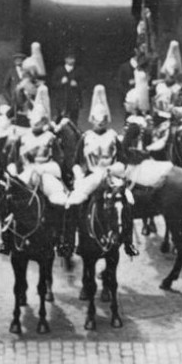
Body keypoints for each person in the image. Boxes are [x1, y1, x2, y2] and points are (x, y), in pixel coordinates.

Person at [65, 84, 137, 252]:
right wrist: (78, 175)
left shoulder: (113, 136)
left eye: (103, 120)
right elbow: (76, 161)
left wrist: (114, 169)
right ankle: (69, 242)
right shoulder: (86, 137)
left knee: (128, 201)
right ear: (92, 120)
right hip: (91, 176)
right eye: (97, 121)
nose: (100, 123)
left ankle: (128, 242)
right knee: (73, 203)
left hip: (111, 175)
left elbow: (123, 160)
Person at [6, 84, 74, 255]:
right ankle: (8, 233)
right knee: (9, 194)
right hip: (26, 173)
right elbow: (13, 161)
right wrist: (13, 171)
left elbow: (59, 163)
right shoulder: (22, 139)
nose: (35, 124)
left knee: (60, 199)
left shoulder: (50, 138)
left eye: (39, 121)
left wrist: (43, 169)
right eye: (33, 121)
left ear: (44, 121)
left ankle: (60, 237)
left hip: (46, 173)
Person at [52, 52, 81, 124]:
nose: (72, 60)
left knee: (74, 120)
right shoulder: (59, 70)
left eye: (73, 58)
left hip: (74, 100)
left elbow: (84, 85)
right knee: (60, 119)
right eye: (70, 58)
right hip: (61, 100)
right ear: (65, 59)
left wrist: (77, 84)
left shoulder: (78, 70)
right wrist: (61, 82)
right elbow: (53, 84)